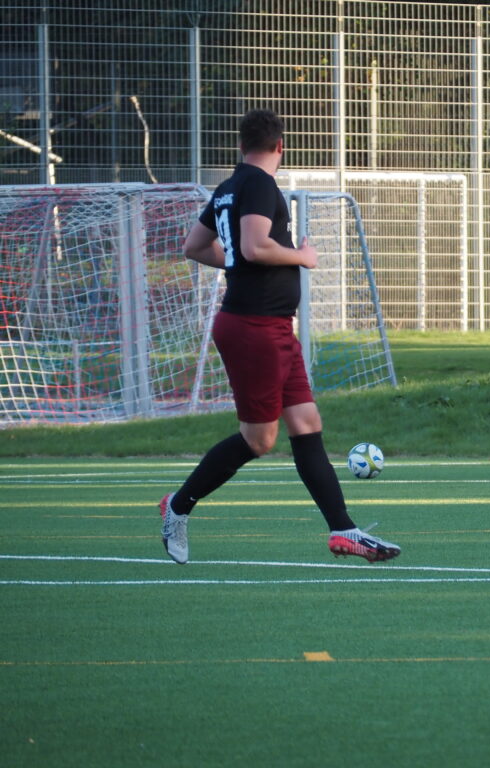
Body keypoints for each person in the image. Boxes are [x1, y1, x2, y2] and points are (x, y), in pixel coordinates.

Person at [158, 109, 399, 565]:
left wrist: (237, 260)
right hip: (252, 328)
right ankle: (178, 506)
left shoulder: (228, 187)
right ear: (281, 146)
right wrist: (302, 256)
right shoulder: (258, 184)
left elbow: (195, 246)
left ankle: (343, 530)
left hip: (272, 328)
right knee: (259, 440)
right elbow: (254, 247)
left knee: (306, 423)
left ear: (240, 145)